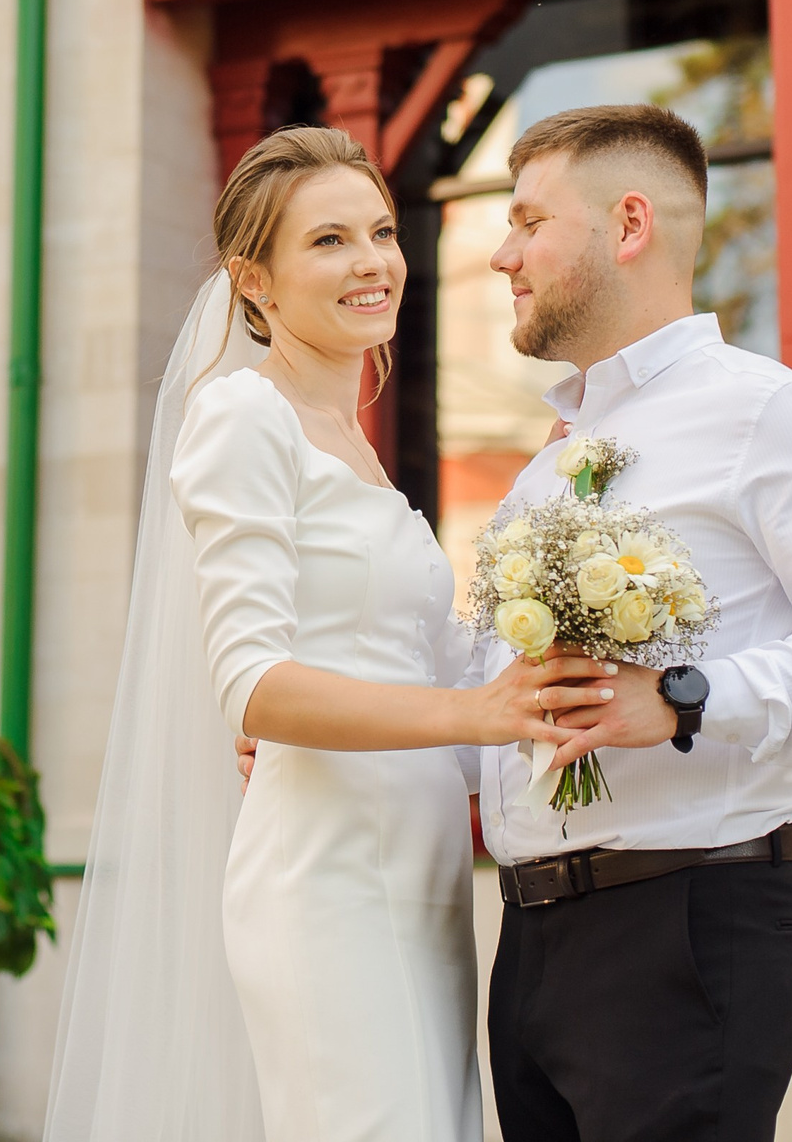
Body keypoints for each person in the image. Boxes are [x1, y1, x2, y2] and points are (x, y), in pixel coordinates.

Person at [44, 125, 615, 1142]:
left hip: (421, 869)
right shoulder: (239, 418)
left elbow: (398, 653)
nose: (371, 263)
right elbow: (254, 684)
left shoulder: (352, 442)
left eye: (383, 232)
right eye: (329, 242)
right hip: (326, 876)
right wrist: (471, 709)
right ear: (251, 280)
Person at [465, 102, 792, 1141]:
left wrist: (686, 697)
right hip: (530, 936)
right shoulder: (544, 462)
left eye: (528, 221)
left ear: (626, 224)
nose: (502, 254)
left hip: (685, 921)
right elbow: (497, 705)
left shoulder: (770, 412)